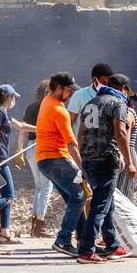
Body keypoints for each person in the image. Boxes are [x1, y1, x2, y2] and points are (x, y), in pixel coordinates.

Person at [76, 73, 137, 263]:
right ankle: (86, 250)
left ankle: (112, 245)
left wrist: (82, 160)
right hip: (106, 159)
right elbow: (120, 132)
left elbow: (80, 134)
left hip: (88, 159)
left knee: (106, 203)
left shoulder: (90, 103)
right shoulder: (118, 104)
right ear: (124, 89)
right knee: (100, 206)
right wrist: (129, 162)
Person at [37, 71, 89, 257]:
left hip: (45, 160)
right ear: (59, 88)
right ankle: (63, 240)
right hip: (55, 159)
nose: (71, 94)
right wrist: (83, 168)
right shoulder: (59, 110)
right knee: (79, 196)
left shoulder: (47, 101)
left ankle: (84, 242)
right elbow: (71, 142)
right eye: (68, 90)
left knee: (74, 198)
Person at [0, 84, 35, 244]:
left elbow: (22, 126)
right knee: (9, 196)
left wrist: (43, 130)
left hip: (1, 158)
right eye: (14, 97)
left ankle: (4, 233)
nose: (15, 99)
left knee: (5, 196)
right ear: (9, 97)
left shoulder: (3, 112)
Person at [20, 79, 53, 236]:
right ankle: (40, 224)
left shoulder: (30, 107)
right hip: (43, 146)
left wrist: (20, 151)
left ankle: (35, 223)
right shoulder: (48, 106)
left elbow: (21, 128)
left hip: (30, 147)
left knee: (39, 186)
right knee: (47, 185)